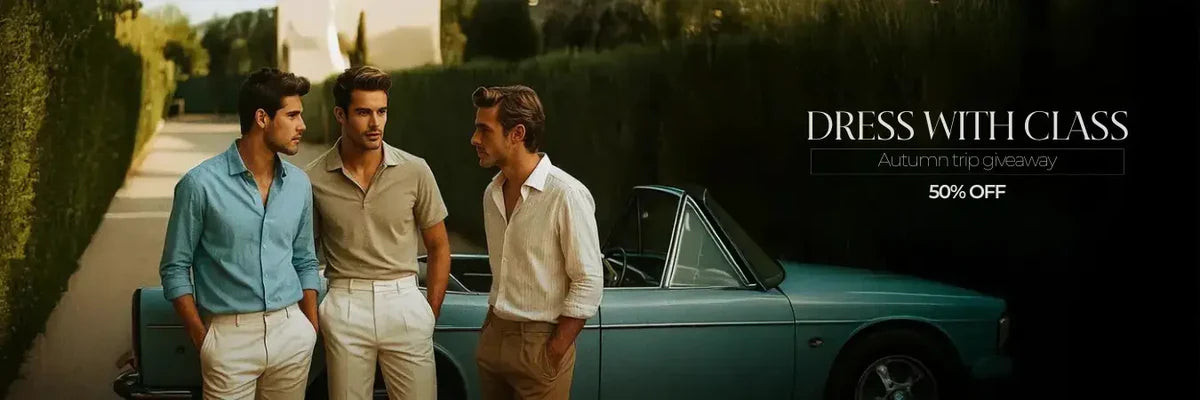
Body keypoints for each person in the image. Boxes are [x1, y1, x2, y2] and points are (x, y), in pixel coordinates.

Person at [159, 67, 320, 400]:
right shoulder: (199, 185)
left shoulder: (299, 184)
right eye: (292, 115)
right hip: (228, 340)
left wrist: (310, 328)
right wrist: (203, 339)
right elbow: (175, 267)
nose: (302, 125)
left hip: (291, 333)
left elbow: (305, 259)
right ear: (262, 118)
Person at [304, 65, 451, 400]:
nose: (375, 123)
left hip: (405, 301)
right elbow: (303, 256)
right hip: (345, 304)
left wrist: (429, 312)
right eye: (363, 112)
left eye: (381, 111)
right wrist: (315, 318)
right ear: (340, 115)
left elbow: (439, 246)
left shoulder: (415, 170)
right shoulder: (313, 179)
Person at [468, 85, 604, 400]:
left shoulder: (566, 194)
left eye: (485, 130)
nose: (474, 139)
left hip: (541, 344)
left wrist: (552, 352)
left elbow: (588, 281)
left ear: (517, 133)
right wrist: (490, 332)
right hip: (495, 336)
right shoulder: (492, 193)